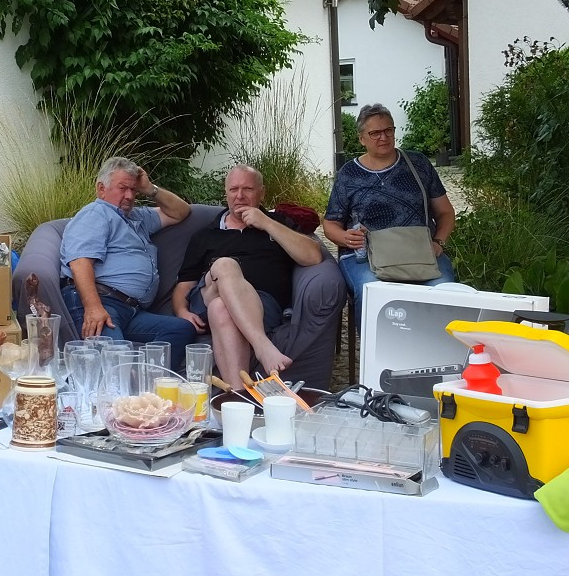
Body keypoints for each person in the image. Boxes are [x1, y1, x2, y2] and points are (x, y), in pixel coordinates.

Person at [173, 165, 323, 389]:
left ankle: (237, 396)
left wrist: (267, 223)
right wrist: (181, 311)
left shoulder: (277, 224)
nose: (240, 196)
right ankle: (263, 346)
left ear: (261, 192)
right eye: (233, 189)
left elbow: (313, 256)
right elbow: (184, 285)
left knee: (220, 309)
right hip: (208, 292)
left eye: (247, 189)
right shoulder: (206, 235)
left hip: (261, 305)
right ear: (226, 192)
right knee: (225, 265)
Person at [323, 103, 457, 322]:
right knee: (373, 294)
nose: (383, 137)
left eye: (388, 130)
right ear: (361, 138)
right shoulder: (349, 174)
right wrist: (346, 237)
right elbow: (330, 224)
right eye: (375, 133)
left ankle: (434, 353)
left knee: (445, 293)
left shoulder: (418, 163)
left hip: (421, 253)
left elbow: (445, 212)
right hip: (366, 257)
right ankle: (377, 355)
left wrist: (438, 242)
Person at [60, 156, 196, 368]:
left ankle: (148, 388)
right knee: (117, 361)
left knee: (181, 328)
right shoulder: (96, 213)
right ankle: (126, 392)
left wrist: (150, 189)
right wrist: (93, 307)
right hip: (101, 301)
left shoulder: (137, 217)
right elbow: (80, 262)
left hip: (131, 311)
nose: (129, 196)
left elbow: (181, 212)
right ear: (101, 189)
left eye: (133, 190)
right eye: (123, 188)